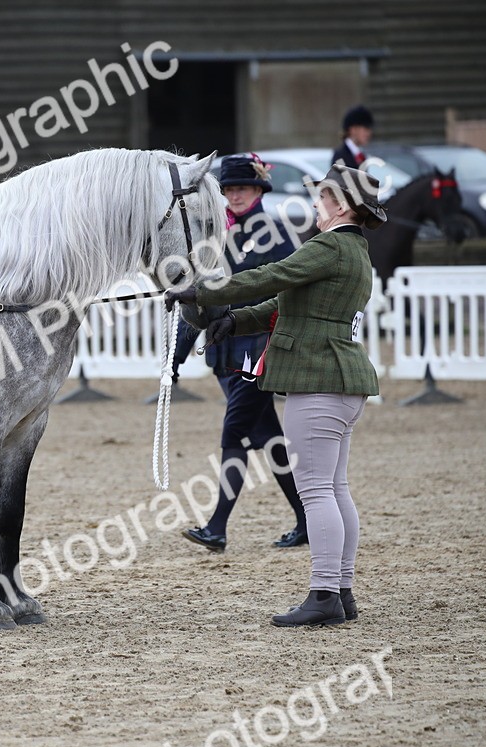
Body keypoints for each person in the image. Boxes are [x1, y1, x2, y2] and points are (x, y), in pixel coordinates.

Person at [165, 161, 385, 628]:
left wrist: (201, 292)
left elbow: (271, 276)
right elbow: (283, 304)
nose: (315, 205)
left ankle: (325, 593)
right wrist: (233, 321)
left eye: (322, 198)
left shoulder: (329, 245)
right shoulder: (355, 251)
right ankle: (341, 591)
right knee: (335, 488)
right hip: (343, 382)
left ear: (341, 205)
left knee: (317, 491)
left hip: (318, 379)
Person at [176, 153, 308, 554]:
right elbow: (199, 298)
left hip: (258, 349)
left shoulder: (276, 235)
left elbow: (282, 292)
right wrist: (176, 357)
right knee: (267, 436)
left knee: (235, 431)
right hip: (225, 354)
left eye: (243, 188)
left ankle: (217, 528)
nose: (235, 196)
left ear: (259, 190)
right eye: (229, 189)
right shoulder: (213, 238)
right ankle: (305, 519)